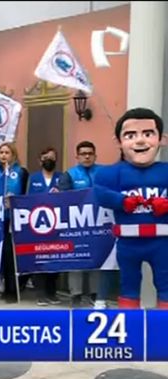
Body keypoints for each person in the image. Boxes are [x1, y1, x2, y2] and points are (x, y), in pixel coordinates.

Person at [93, 108, 167, 309]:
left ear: (162, 139)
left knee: (166, 283)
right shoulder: (110, 173)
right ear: (118, 141)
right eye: (130, 135)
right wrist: (122, 201)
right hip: (128, 242)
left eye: (148, 134)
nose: (140, 141)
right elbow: (100, 193)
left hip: (163, 242)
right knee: (129, 285)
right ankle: (129, 322)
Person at [58, 140, 100, 308]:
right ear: (77, 157)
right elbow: (63, 198)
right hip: (76, 225)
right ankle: (75, 295)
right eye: (83, 154)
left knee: (97, 260)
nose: (87, 156)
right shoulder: (69, 175)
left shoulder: (103, 173)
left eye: (90, 153)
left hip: (99, 225)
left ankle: (95, 295)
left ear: (95, 156)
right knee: (76, 260)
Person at [27, 147, 63, 306]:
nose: (49, 160)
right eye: (45, 157)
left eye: (52, 157)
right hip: (38, 224)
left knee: (55, 258)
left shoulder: (62, 177)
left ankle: (52, 292)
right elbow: (27, 199)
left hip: (57, 224)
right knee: (39, 258)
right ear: (40, 161)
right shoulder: (33, 178)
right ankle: (40, 293)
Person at [0, 142, 29, 303]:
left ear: (13, 155)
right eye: (1, 152)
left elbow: (26, 195)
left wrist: (15, 201)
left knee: (10, 254)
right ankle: (1, 284)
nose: (3, 155)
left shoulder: (20, 172)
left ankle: (12, 289)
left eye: (7, 152)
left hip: (13, 218)